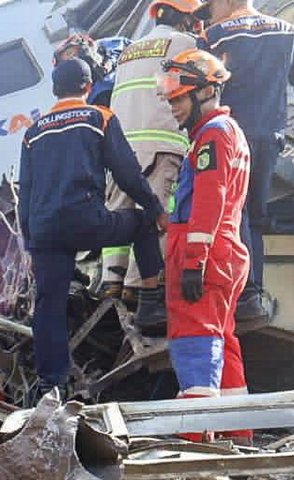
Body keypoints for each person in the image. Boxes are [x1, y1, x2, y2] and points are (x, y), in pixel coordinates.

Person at [18, 58, 169, 400]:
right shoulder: (99, 117)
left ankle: (50, 384)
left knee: (49, 305)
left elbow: (24, 192)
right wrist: (156, 208)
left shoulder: (33, 132)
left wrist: (31, 244)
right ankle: (151, 304)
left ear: (55, 90)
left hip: (45, 233)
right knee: (141, 223)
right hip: (87, 221)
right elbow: (127, 172)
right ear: (88, 87)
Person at [199, 0, 294, 330]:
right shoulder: (288, 33)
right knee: (254, 218)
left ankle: (239, 294)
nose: (208, 12)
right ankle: (253, 295)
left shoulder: (214, 37)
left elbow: (199, 90)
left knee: (231, 214)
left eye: (211, 5)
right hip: (268, 139)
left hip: (227, 136)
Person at [159, 51, 253, 432]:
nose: (174, 108)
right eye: (171, 100)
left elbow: (209, 199)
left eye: (179, 98)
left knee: (195, 344)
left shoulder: (213, 136)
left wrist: (194, 260)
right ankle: (239, 436)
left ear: (204, 93)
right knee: (223, 345)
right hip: (224, 250)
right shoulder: (224, 133)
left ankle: (195, 445)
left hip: (206, 253)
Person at [101, 0, 203, 304]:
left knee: (121, 212)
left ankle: (112, 279)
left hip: (120, 147)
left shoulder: (130, 50)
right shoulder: (186, 43)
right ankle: (139, 287)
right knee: (157, 214)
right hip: (161, 142)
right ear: (186, 18)